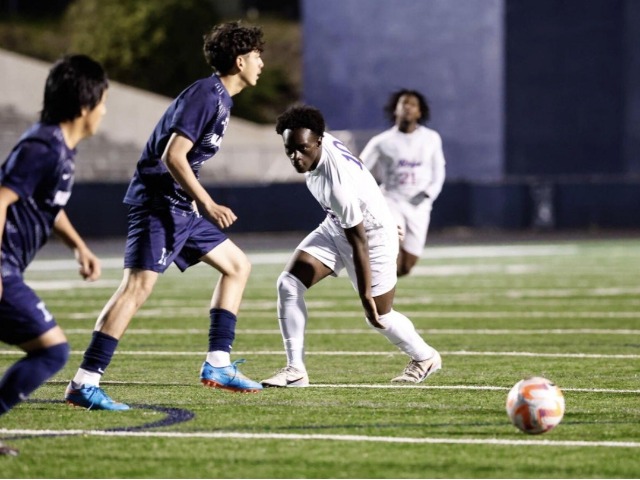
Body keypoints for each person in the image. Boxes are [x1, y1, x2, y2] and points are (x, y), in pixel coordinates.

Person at [65, 21, 266, 411]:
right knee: (136, 289)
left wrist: (195, 203)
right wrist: (207, 202)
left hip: (180, 208)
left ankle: (218, 364)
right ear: (240, 61)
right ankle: (85, 381)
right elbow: (172, 155)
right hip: (159, 205)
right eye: (257, 56)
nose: (261, 63)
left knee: (237, 266)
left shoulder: (223, 99)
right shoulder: (206, 94)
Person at [261, 105, 441, 388]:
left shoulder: (337, 184)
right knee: (288, 284)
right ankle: (295, 370)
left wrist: (366, 297)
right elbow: (358, 169)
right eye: (289, 150)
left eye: (302, 148)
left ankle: (425, 357)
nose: (296, 156)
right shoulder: (322, 140)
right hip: (338, 226)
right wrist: (376, 208)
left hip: (371, 237)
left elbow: (358, 242)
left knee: (379, 316)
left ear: (318, 141)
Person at [0, 55, 108, 455]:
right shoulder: (42, 146)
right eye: (102, 103)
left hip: (10, 266)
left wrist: (79, 246)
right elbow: (1, 199)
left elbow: (49, 206)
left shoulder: (60, 148)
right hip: (3, 267)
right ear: (84, 107)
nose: (104, 111)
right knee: (53, 350)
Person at [359, 89, 446, 276]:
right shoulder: (381, 141)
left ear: (419, 112)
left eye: (413, 104)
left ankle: (380, 280)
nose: (408, 107)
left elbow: (439, 172)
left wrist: (429, 194)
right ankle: (376, 285)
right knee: (391, 245)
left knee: (406, 266)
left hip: (419, 205)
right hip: (391, 200)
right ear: (395, 109)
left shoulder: (431, 138)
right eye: (403, 103)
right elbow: (359, 169)